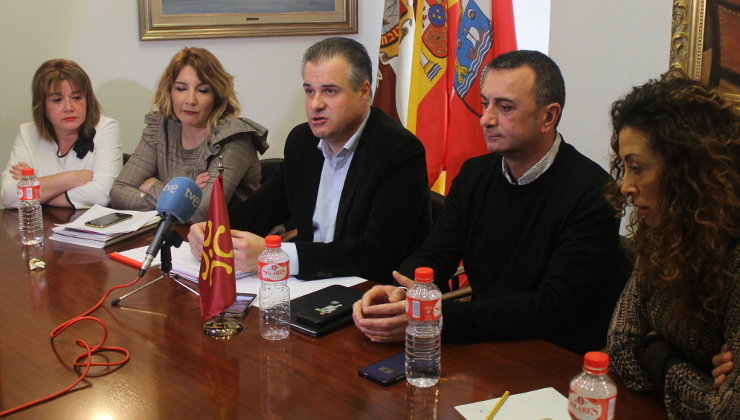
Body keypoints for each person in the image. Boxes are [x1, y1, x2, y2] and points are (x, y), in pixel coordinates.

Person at [353, 50, 625, 354]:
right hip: (483, 339)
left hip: (553, 355)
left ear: (548, 117)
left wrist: (435, 317)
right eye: (485, 103)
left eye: (505, 107)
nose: (486, 119)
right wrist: (405, 292)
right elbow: (436, 252)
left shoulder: (594, 191)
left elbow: (554, 306)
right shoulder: (475, 175)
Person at [187, 37, 430, 284]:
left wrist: (276, 256)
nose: (316, 104)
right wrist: (215, 228)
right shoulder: (302, 140)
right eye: (309, 91)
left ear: (364, 92)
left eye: (330, 91)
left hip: (368, 291)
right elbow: (263, 209)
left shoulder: (398, 150)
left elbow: (377, 255)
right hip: (308, 283)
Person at [605, 71, 738, 418]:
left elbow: (726, 412)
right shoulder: (665, 233)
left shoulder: (734, 255)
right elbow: (621, 343)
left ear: (684, 171)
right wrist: (662, 355)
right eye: (625, 168)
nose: (625, 186)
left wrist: (654, 352)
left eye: (637, 168)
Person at [110, 47, 268, 222]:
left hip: (238, 240)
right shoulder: (161, 128)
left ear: (217, 94)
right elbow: (118, 191)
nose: (190, 100)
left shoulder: (234, 139)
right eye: (181, 88)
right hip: (182, 237)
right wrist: (183, 191)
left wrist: (154, 186)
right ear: (169, 91)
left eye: (203, 90)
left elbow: (202, 213)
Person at [1, 59, 122, 208]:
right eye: (57, 100)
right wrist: (71, 178)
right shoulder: (28, 132)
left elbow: (101, 195)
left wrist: (38, 188)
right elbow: (8, 196)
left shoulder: (106, 128)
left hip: (89, 228)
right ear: (42, 105)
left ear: (88, 100)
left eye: (76, 98)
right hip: (43, 228)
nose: (69, 107)